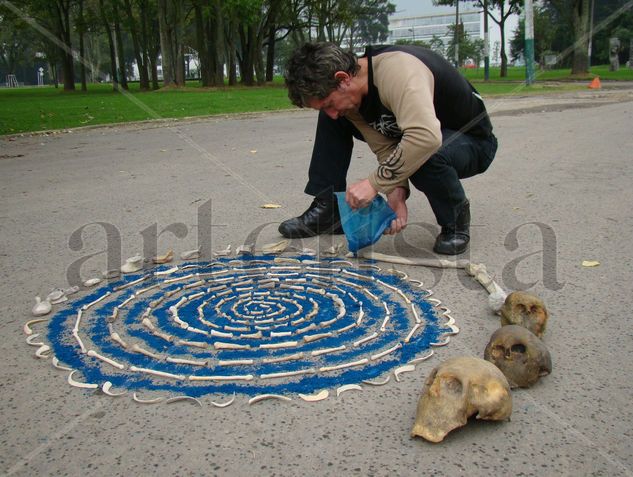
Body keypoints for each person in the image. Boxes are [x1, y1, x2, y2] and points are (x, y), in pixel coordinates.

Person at [279, 42, 498, 255]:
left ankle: (455, 222)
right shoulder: (354, 94)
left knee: (425, 154)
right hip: (422, 136)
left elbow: (425, 137)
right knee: (337, 118)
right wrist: (396, 193)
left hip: (471, 141)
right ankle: (330, 209)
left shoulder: (399, 71)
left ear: (343, 79)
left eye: (328, 103)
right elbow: (386, 146)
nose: (331, 112)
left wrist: (374, 184)